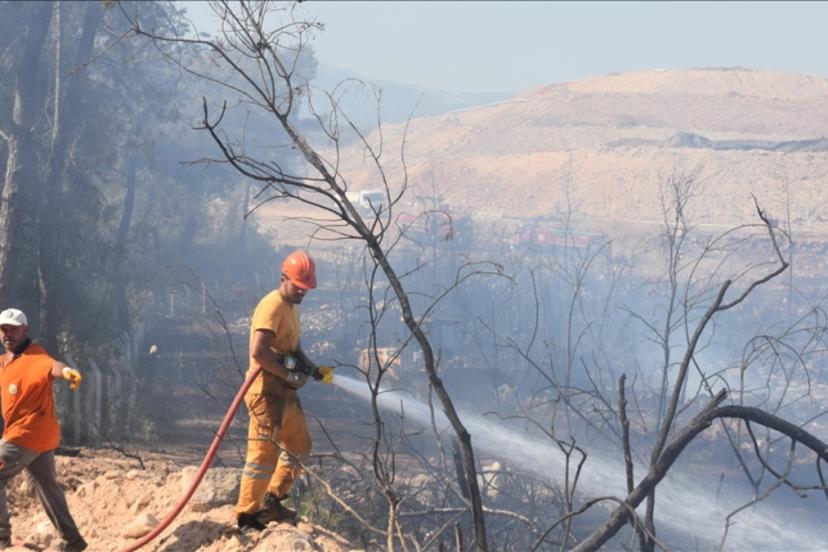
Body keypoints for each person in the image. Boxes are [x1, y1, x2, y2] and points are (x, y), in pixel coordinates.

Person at [235, 251, 332, 531]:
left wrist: (311, 369)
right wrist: (289, 374)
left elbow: (293, 348)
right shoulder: (273, 305)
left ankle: (272, 500)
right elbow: (259, 351)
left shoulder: (292, 307)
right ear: (283, 279)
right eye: (298, 286)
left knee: (299, 446)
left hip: (284, 391)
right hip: (265, 391)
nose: (302, 291)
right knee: (262, 455)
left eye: (305, 288)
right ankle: (246, 515)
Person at [0, 308, 86, 550]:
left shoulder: (35, 356)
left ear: (25, 330)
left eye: (13, 329)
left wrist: (67, 372)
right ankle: (73, 541)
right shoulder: (5, 362)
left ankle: (1, 538)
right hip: (41, 437)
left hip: (26, 434)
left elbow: (52, 366)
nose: (8, 334)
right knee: (44, 485)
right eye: (4, 329)